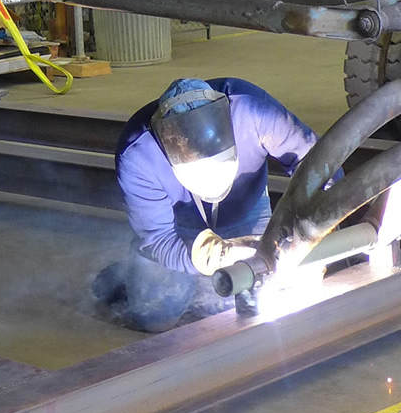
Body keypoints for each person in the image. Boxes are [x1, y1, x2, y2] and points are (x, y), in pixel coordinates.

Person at [91, 77, 315, 332]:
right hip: (179, 230)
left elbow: (317, 163)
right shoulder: (138, 153)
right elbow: (159, 239)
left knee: (254, 301)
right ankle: (124, 278)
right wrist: (218, 255)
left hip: (246, 207)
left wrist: (314, 228)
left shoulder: (253, 111)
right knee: (156, 317)